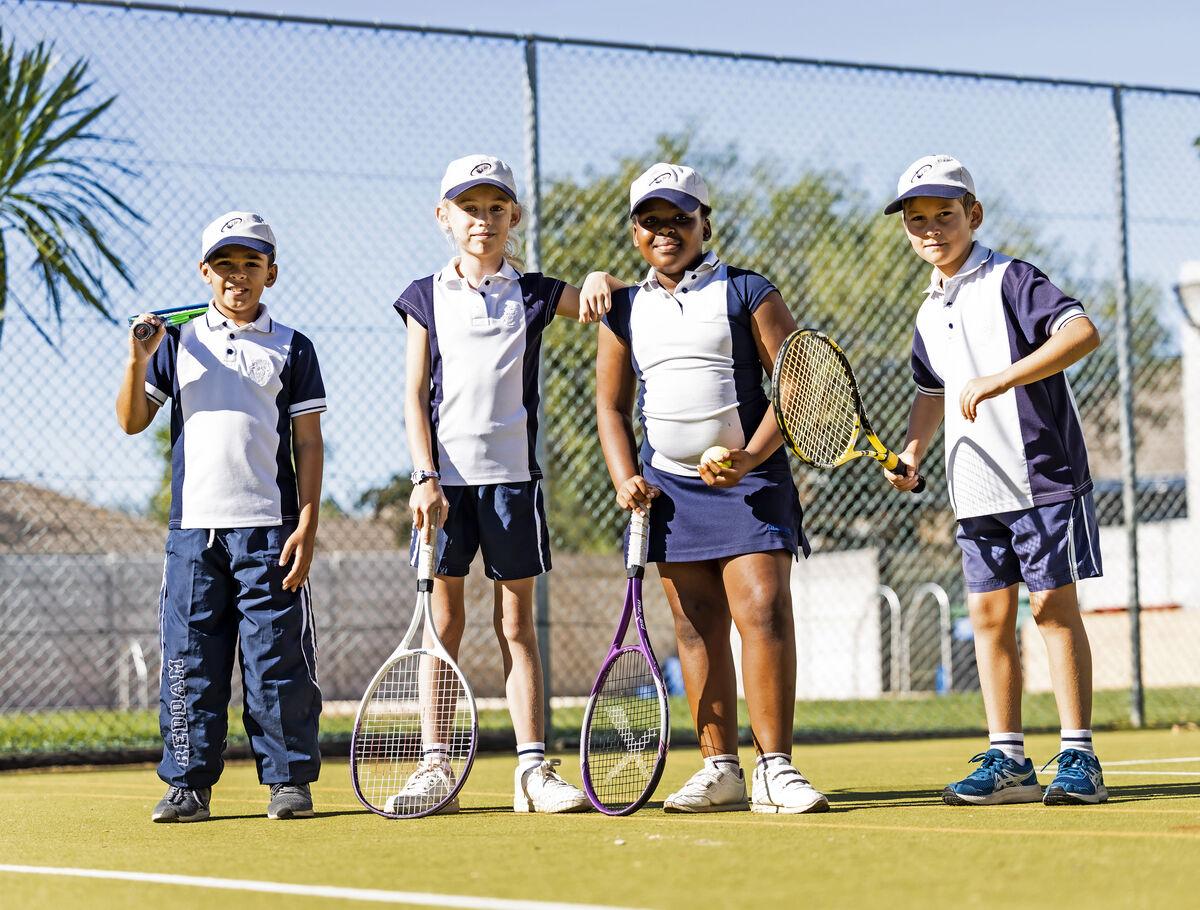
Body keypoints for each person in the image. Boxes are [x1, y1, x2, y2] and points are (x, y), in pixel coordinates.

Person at [595, 162, 828, 815]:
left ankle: (775, 768)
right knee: (695, 630)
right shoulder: (623, 308)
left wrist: (751, 458)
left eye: (679, 218)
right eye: (651, 220)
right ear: (636, 231)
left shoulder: (748, 290)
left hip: (749, 485)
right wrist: (626, 477)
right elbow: (611, 407)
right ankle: (720, 769)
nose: (665, 231)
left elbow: (797, 386)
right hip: (670, 492)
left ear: (705, 223)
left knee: (763, 611)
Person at [391, 154, 619, 814]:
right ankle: (437, 768)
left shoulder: (537, 292)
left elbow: (597, 306)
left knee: (517, 625)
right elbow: (412, 396)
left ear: (514, 217)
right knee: (443, 626)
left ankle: (530, 771)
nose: (483, 220)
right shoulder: (424, 296)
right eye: (469, 208)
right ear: (444, 218)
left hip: (513, 485)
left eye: (496, 209)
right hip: (444, 489)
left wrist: (603, 279)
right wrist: (425, 477)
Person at [883, 155, 1107, 806]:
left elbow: (1083, 332)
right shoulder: (928, 309)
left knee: (1051, 609)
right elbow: (931, 390)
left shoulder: (1012, 278)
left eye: (944, 216)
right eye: (917, 220)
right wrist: (914, 449)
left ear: (972, 216)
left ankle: (1080, 755)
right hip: (973, 488)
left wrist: (1002, 377)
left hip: (1040, 478)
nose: (931, 230)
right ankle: (1008, 758)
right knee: (987, 616)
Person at [116, 212, 326, 822]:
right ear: (204, 273)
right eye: (226, 265)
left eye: (251, 264)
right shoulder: (175, 342)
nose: (239, 276)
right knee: (189, 658)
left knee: (275, 659)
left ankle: (289, 782)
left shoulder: (293, 345)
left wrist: (306, 523)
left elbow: (308, 443)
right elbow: (132, 421)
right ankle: (187, 784)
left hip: (270, 530)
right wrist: (137, 357)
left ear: (272, 274)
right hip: (192, 533)